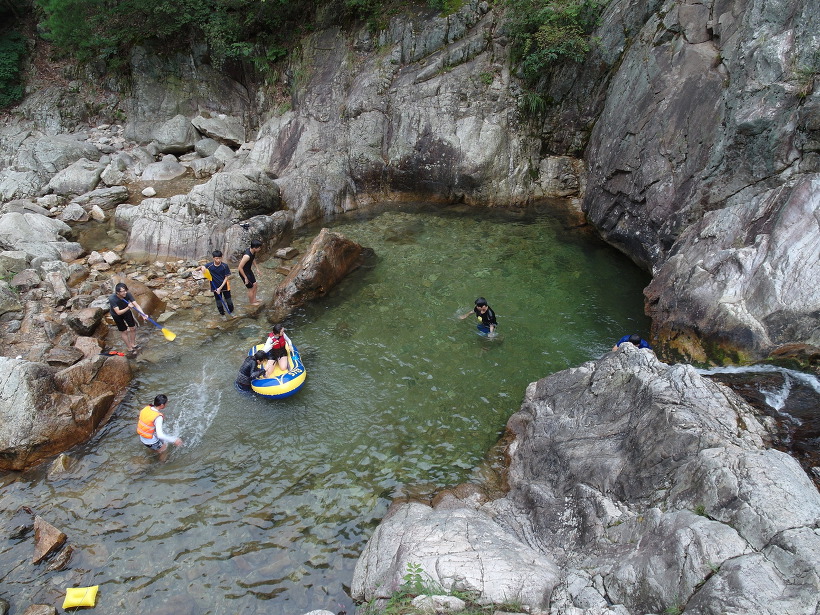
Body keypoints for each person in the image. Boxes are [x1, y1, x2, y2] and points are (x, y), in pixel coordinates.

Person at [136, 394, 184, 461]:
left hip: (142, 438)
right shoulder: (158, 417)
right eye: (166, 403)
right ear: (162, 405)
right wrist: (174, 440)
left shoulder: (146, 408)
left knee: (155, 448)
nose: (167, 404)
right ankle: (162, 464)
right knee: (163, 449)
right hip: (151, 441)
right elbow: (160, 435)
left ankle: (152, 454)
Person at [108, 282, 147, 353]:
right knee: (124, 331)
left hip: (126, 312)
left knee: (133, 328)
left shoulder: (127, 294)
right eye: (123, 291)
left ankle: (133, 344)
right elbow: (118, 312)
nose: (125, 292)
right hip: (116, 315)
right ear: (117, 292)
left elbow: (136, 305)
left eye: (125, 290)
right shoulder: (112, 299)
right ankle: (129, 347)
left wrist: (143, 314)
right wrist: (128, 307)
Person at [201, 250, 234, 317]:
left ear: (222, 257)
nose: (218, 260)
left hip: (225, 286)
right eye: (216, 258)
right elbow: (199, 268)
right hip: (215, 287)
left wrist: (220, 288)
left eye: (219, 258)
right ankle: (222, 315)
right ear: (213, 258)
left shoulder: (224, 266)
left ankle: (232, 313)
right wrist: (202, 267)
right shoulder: (209, 265)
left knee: (229, 301)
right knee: (219, 302)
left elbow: (226, 278)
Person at [238, 240, 263, 306]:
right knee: (251, 288)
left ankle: (254, 299)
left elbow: (253, 259)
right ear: (254, 248)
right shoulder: (247, 256)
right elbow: (240, 267)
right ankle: (252, 303)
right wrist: (245, 277)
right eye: (259, 248)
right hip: (243, 272)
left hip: (248, 270)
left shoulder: (252, 251)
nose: (260, 249)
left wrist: (257, 268)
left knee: (255, 284)